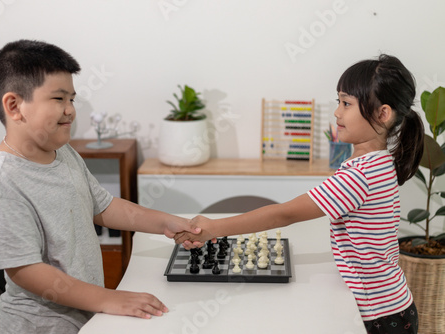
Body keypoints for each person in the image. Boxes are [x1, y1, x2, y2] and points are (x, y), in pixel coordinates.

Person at [175, 54, 423, 334]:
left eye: (347, 103)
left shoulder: (360, 175)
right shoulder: (380, 162)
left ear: (382, 114)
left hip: (379, 314)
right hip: (393, 303)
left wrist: (215, 227)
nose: (337, 113)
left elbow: (285, 213)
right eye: (338, 101)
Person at [0, 39, 200, 334]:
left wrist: (164, 222)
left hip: (85, 314)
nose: (70, 110)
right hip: (40, 326)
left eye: (72, 99)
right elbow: (25, 271)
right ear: (15, 106)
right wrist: (109, 299)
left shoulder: (63, 152)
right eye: (58, 99)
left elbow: (104, 206)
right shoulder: (2, 180)